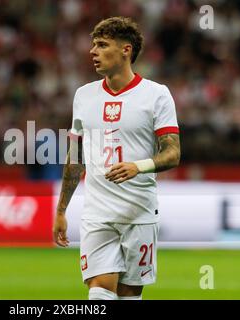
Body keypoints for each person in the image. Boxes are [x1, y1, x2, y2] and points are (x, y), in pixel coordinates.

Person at [53, 17, 180, 300]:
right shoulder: (83, 96)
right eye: (93, 45)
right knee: (99, 288)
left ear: (126, 50)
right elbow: (75, 157)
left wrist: (139, 166)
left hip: (139, 213)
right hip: (97, 213)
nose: (92, 52)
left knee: (128, 295)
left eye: (102, 45)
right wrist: (62, 210)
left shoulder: (156, 95)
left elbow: (173, 153)